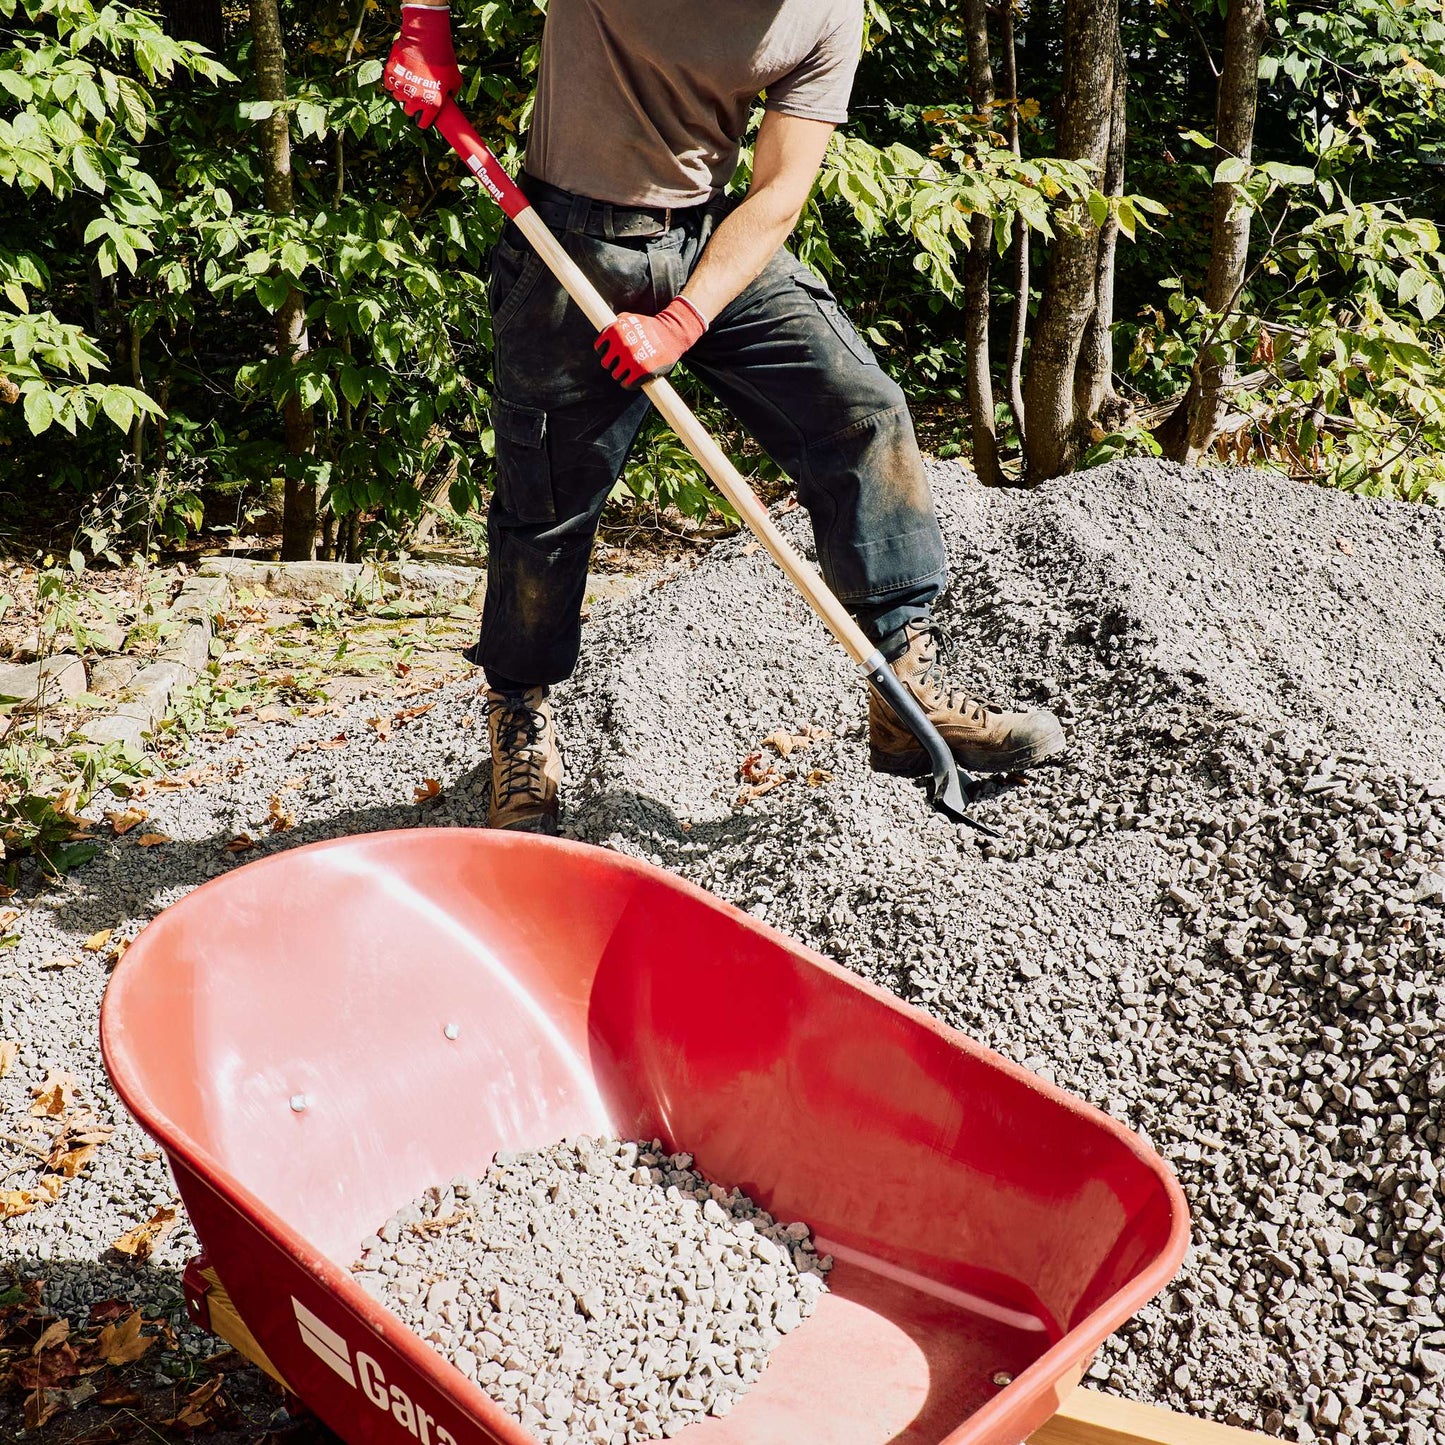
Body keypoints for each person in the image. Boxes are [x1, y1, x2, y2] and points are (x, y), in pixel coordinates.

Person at [384, 0, 1064, 833]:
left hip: (712, 241)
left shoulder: (825, 12)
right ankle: (519, 714)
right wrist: (424, 24)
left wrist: (683, 318)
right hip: (565, 237)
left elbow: (779, 189)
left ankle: (901, 683)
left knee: (861, 411)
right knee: (546, 508)